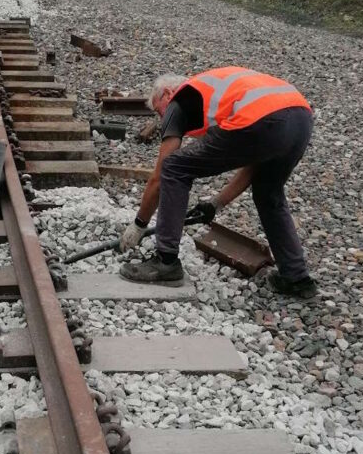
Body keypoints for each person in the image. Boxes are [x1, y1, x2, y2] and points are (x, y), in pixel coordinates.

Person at [119, 67, 317, 298]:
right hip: (301, 118)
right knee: (268, 192)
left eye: (159, 112)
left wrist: (139, 225)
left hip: (265, 118)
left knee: (175, 167)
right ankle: (296, 277)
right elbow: (254, 163)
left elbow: (162, 174)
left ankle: (166, 262)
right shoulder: (222, 96)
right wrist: (215, 204)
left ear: (166, 95)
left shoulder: (179, 98)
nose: (163, 119)